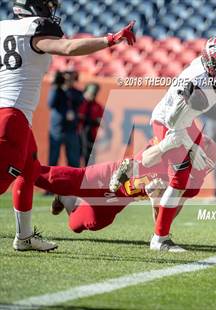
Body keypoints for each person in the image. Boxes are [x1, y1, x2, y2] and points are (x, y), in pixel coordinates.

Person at [113, 36, 216, 251]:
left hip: (185, 120)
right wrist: (192, 148)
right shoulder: (197, 89)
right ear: (214, 69)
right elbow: (174, 123)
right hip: (170, 122)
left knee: (195, 179)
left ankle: (134, 167)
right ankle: (160, 239)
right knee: (180, 180)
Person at [0, 0, 136, 251]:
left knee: (30, 171)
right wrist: (109, 39)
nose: (50, 11)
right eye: (47, 5)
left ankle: (25, 236)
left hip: (14, 114)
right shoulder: (33, 29)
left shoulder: (3, 28)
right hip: (11, 117)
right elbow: (69, 47)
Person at [34, 132, 216, 249]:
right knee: (46, 178)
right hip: (108, 176)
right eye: (202, 162)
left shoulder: (192, 183)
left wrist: (156, 200)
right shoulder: (171, 152)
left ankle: (65, 198)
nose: (202, 169)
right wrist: (165, 147)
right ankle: (21, 167)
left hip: (121, 198)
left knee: (83, 225)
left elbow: (162, 220)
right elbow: (142, 159)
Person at [48, 70, 83, 168]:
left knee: (74, 162)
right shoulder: (56, 91)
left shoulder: (77, 92)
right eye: (66, 78)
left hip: (71, 131)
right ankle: (51, 182)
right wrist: (56, 86)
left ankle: (73, 182)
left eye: (71, 78)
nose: (69, 80)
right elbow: (50, 103)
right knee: (53, 160)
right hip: (56, 130)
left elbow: (80, 100)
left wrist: (68, 90)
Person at [78, 83, 104, 166]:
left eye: (94, 93)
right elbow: (78, 117)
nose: (92, 95)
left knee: (90, 159)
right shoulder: (79, 103)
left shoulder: (98, 106)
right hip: (78, 135)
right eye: (91, 93)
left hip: (91, 136)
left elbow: (101, 121)